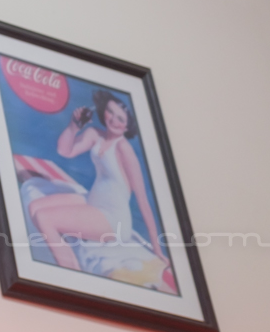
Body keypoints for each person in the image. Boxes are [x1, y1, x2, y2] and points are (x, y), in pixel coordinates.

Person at [27, 90, 167, 273]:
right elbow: (64, 151)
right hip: (92, 200)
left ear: (126, 127)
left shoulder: (124, 150)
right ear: (103, 112)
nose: (114, 121)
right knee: (34, 207)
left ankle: (69, 274)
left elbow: (142, 201)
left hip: (113, 218)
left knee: (44, 218)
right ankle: (65, 258)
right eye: (111, 112)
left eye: (120, 119)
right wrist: (73, 127)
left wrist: (158, 251)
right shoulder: (95, 134)